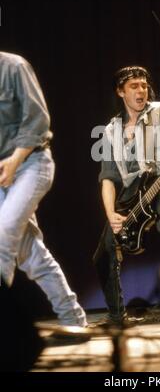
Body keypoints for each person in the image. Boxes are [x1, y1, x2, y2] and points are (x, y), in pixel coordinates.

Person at [93, 65, 160, 325]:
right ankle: (117, 315)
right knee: (104, 253)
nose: (141, 91)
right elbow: (107, 178)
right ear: (121, 92)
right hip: (131, 193)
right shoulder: (110, 130)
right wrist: (112, 214)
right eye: (134, 86)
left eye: (143, 85)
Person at [0, 51, 87, 327]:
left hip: (32, 163)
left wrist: (15, 159)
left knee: (2, 235)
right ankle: (74, 319)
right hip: (3, 173)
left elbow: (38, 118)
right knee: (32, 255)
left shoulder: (14, 66)